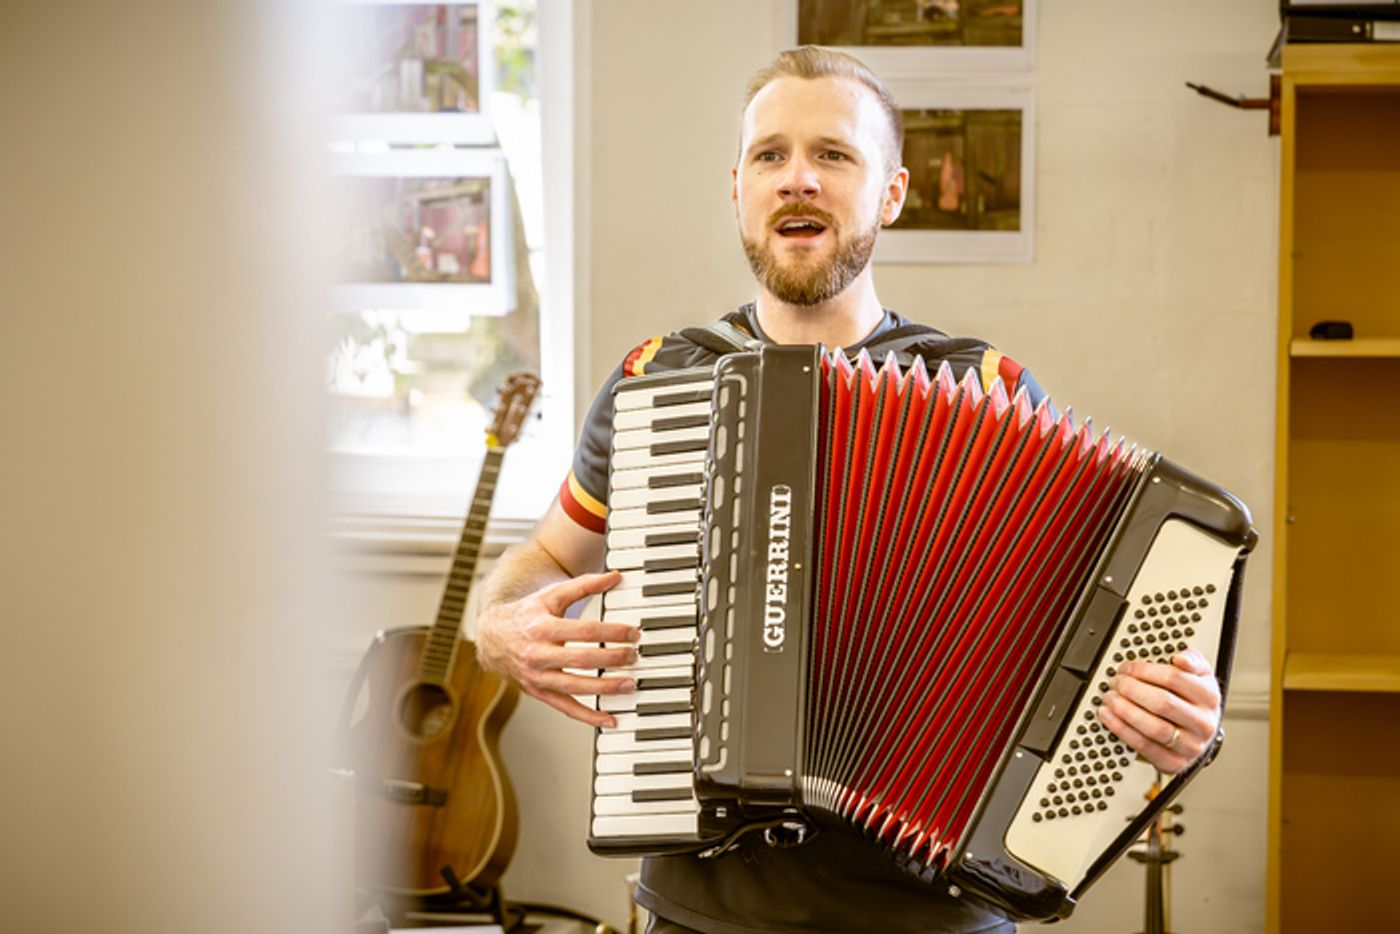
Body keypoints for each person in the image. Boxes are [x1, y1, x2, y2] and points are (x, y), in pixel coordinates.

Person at [475, 46, 1224, 934]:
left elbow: (1098, 642)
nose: (798, 178)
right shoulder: (658, 382)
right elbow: (546, 556)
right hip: (703, 909)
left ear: (891, 194)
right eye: (770, 155)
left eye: (833, 154)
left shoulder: (986, 392)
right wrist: (499, 624)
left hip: (933, 911)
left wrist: (1184, 720)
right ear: (738, 189)